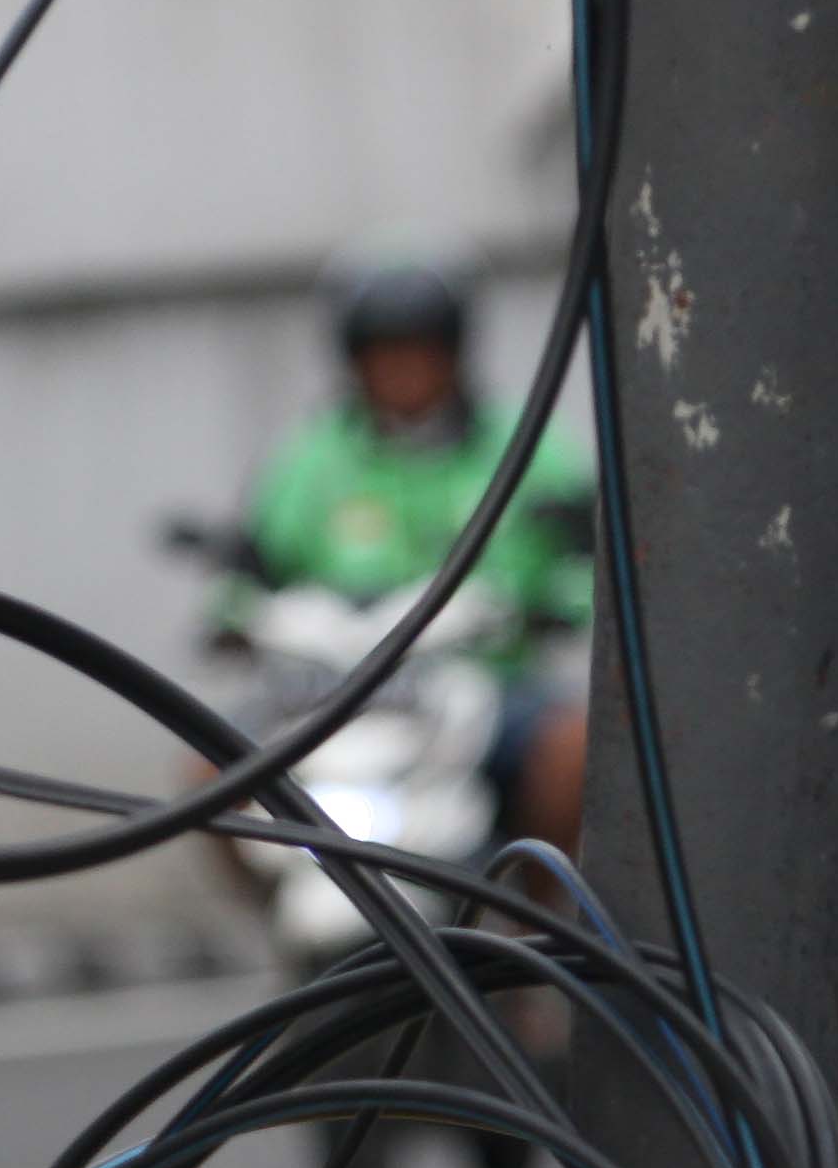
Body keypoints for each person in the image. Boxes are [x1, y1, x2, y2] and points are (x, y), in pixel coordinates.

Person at [236, 249, 594, 858]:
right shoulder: (313, 461)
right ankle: (275, 916)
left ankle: (540, 920)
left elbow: (585, 553)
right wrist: (233, 619)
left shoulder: (524, 446)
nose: (403, 369)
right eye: (385, 353)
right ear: (354, 362)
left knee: (572, 749)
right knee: (210, 772)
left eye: (420, 350)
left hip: (487, 687)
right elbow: (251, 567)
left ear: (453, 354)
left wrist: (554, 606)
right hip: (339, 698)